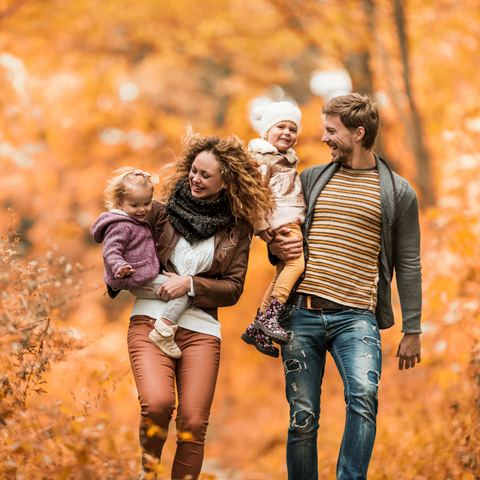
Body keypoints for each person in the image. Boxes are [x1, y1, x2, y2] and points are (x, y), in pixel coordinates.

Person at [268, 93, 422, 480]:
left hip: (357, 318)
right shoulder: (310, 178)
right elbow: (283, 239)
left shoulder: (398, 192)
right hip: (301, 313)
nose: (323, 138)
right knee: (302, 417)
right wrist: (275, 244)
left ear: (358, 132)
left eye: (331, 131)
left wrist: (413, 327)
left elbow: (408, 262)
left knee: (364, 399)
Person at [126, 127, 272, 480]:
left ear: (225, 181)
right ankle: (149, 473)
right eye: (193, 170)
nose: (195, 178)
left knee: (192, 422)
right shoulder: (160, 213)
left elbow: (234, 288)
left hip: (202, 330)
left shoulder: (238, 229)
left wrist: (190, 284)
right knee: (158, 404)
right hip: (150, 320)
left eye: (205, 175)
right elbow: (120, 226)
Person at [90, 167, 187, 359]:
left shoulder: (134, 220)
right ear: (119, 203)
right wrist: (120, 268)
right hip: (134, 277)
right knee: (182, 292)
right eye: (135, 205)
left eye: (146, 203)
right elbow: (111, 251)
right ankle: (163, 332)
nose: (142, 210)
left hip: (144, 276)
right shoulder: (121, 225)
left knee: (174, 291)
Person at [241, 101, 306, 358]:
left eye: (292, 129)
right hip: (282, 219)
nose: (287, 133)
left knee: (282, 271)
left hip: (287, 219)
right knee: (296, 266)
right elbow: (253, 194)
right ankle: (271, 316)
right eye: (280, 126)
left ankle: (257, 326)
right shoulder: (263, 158)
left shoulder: (284, 159)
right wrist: (261, 226)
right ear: (266, 132)